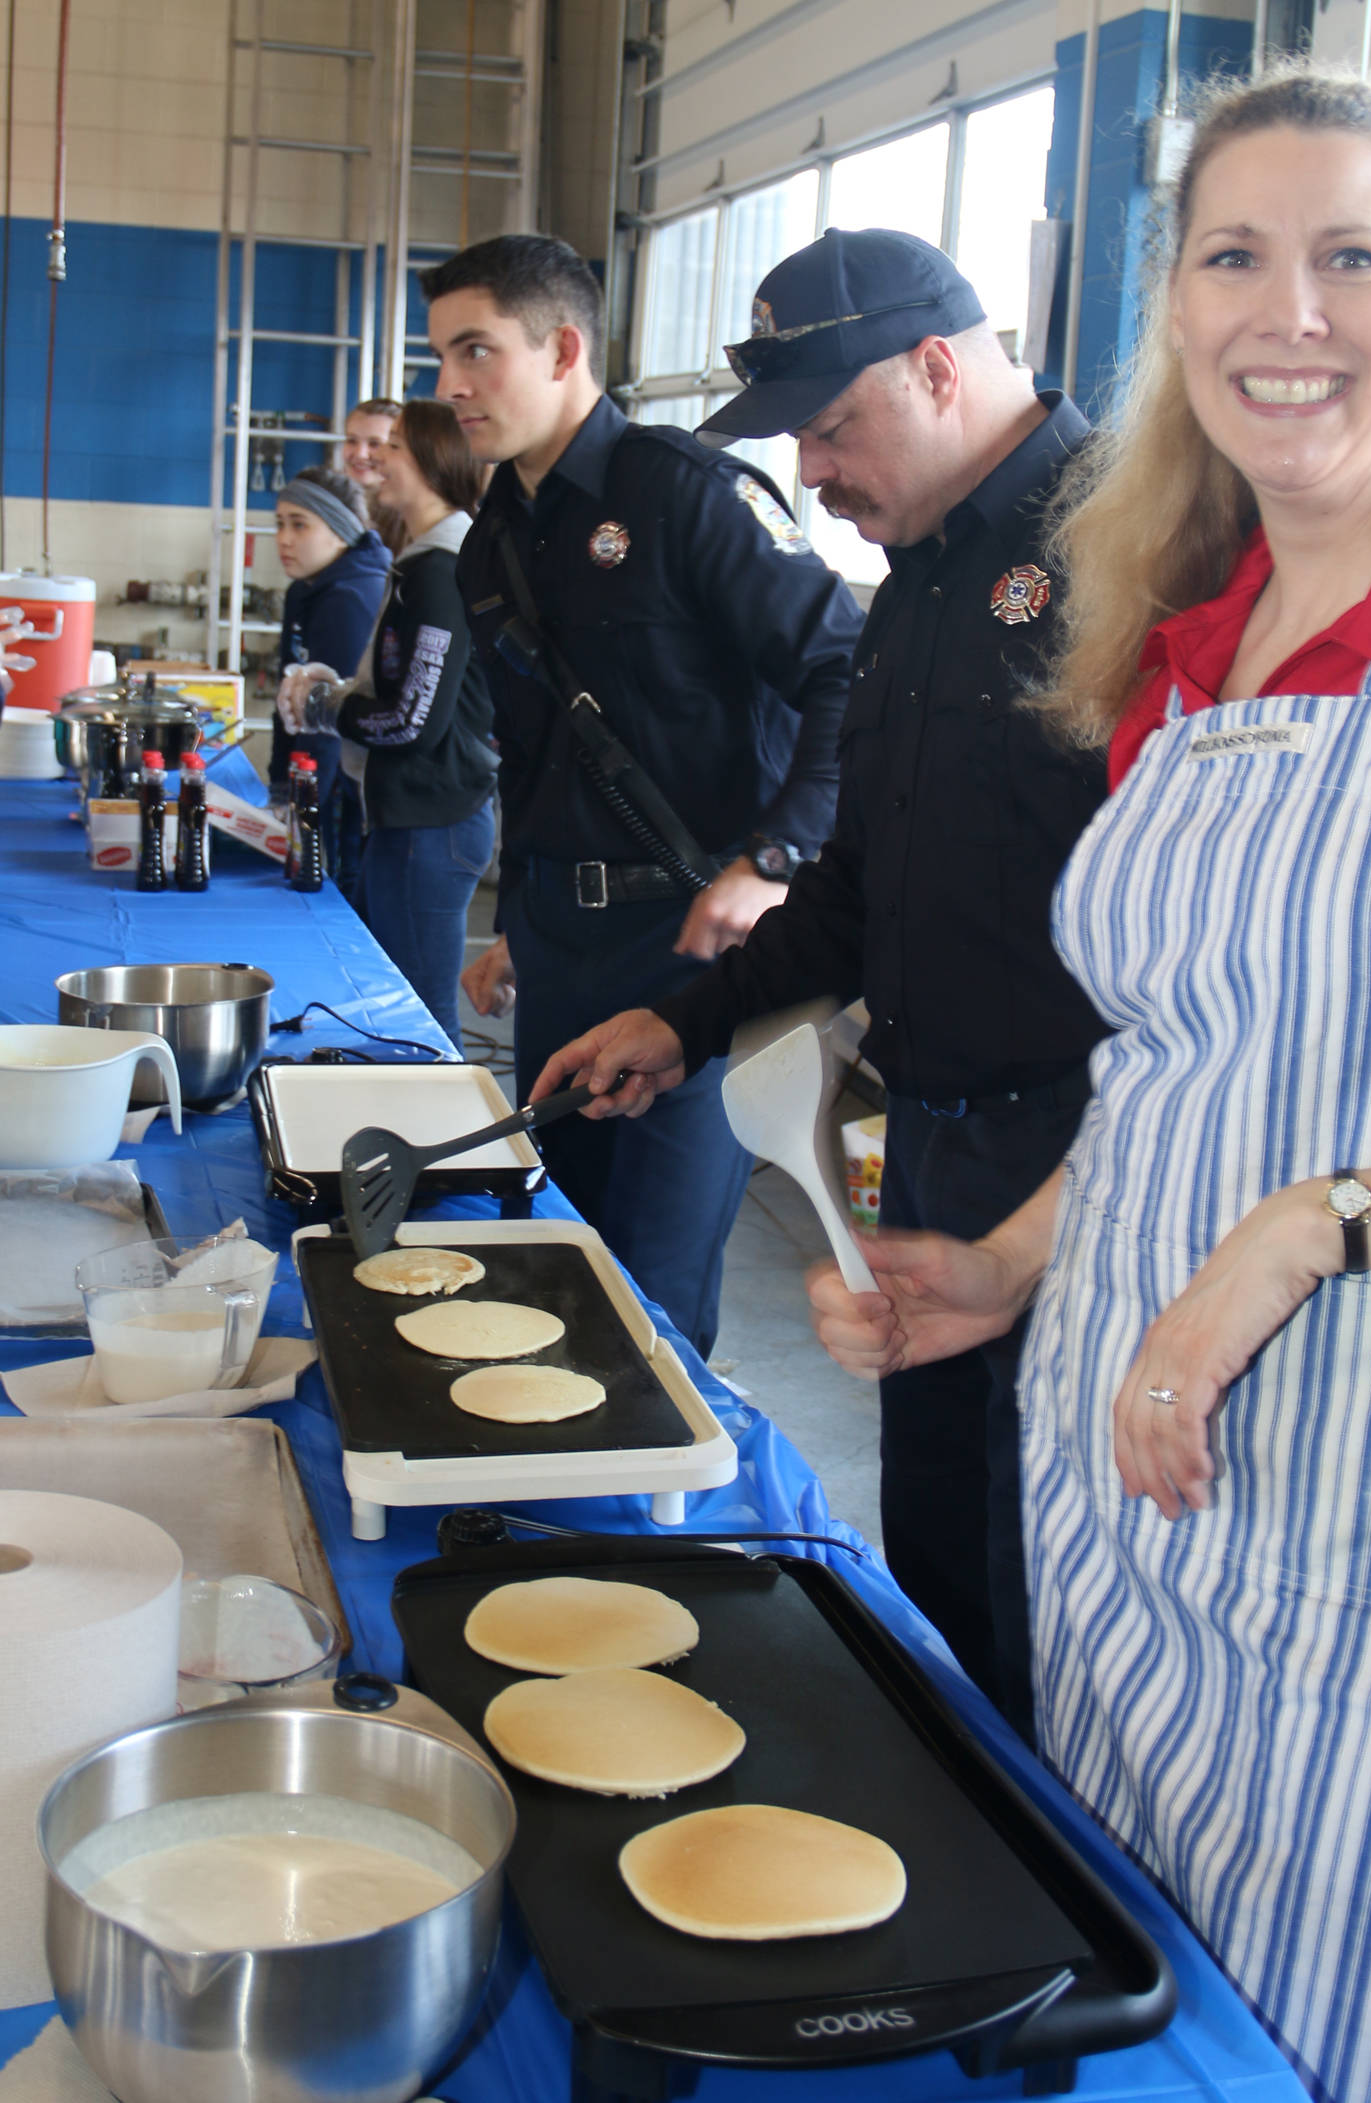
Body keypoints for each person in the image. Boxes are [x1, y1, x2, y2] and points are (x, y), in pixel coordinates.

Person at [805, 65, 1371, 2103]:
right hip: (1124, 1493)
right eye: (1233, 256)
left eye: (1347, 258)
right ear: (1175, 311)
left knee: (1323, 2038)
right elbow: (1178, 1060)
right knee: (1134, 1997)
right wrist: (1014, 1266)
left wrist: (1318, 1229)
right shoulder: (1189, 640)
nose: (1284, 312)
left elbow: (1307, 1153)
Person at [529, 229, 1109, 1726]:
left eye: (832, 427)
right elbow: (856, 886)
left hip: (1087, 1168)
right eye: (796, 438)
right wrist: (682, 1016)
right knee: (938, 1557)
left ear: (937, 365)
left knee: (1055, 1590)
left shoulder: (1125, 551)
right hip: (913, 1142)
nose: (818, 473)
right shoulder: (911, 578)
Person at [422, 233, 863, 1360]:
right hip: (561, 950)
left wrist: (775, 860)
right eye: (439, 359)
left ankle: (660, 1528)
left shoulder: (687, 499)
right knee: (555, 1257)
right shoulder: (493, 549)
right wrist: (518, 913)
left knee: (652, 1289)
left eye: (476, 353)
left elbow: (844, 673)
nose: (451, 388)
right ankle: (559, 1522)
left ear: (564, 348)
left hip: (693, 955)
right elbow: (535, 754)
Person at [277, 400, 496, 1053]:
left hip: (432, 824)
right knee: (387, 1007)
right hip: (409, 820)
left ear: (432, 461)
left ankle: (444, 1153)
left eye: (392, 446)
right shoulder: (420, 561)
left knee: (421, 1021)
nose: (372, 459)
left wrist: (323, 703)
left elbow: (409, 721)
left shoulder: (440, 569)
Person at [267, 466, 390, 896]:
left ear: (339, 532)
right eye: (279, 524)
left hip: (347, 791)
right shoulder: (306, 589)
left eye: (299, 525)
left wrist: (303, 807)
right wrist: (279, 784)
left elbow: (326, 720)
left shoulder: (350, 598)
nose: (284, 538)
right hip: (317, 777)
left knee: (337, 894)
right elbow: (288, 696)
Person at [342, 395, 409, 558]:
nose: (360, 454)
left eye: (375, 444)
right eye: (352, 441)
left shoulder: (411, 519)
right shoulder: (331, 502)